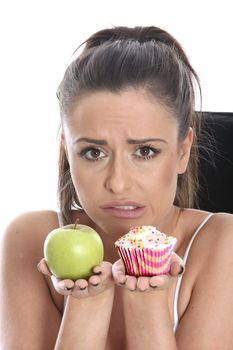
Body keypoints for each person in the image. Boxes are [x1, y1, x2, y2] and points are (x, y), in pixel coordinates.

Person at [1, 25, 233, 350]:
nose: (118, 183)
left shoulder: (221, 241)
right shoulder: (28, 237)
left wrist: (147, 299)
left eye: (145, 151)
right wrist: (87, 301)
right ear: (68, 152)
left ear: (182, 152)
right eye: (93, 153)